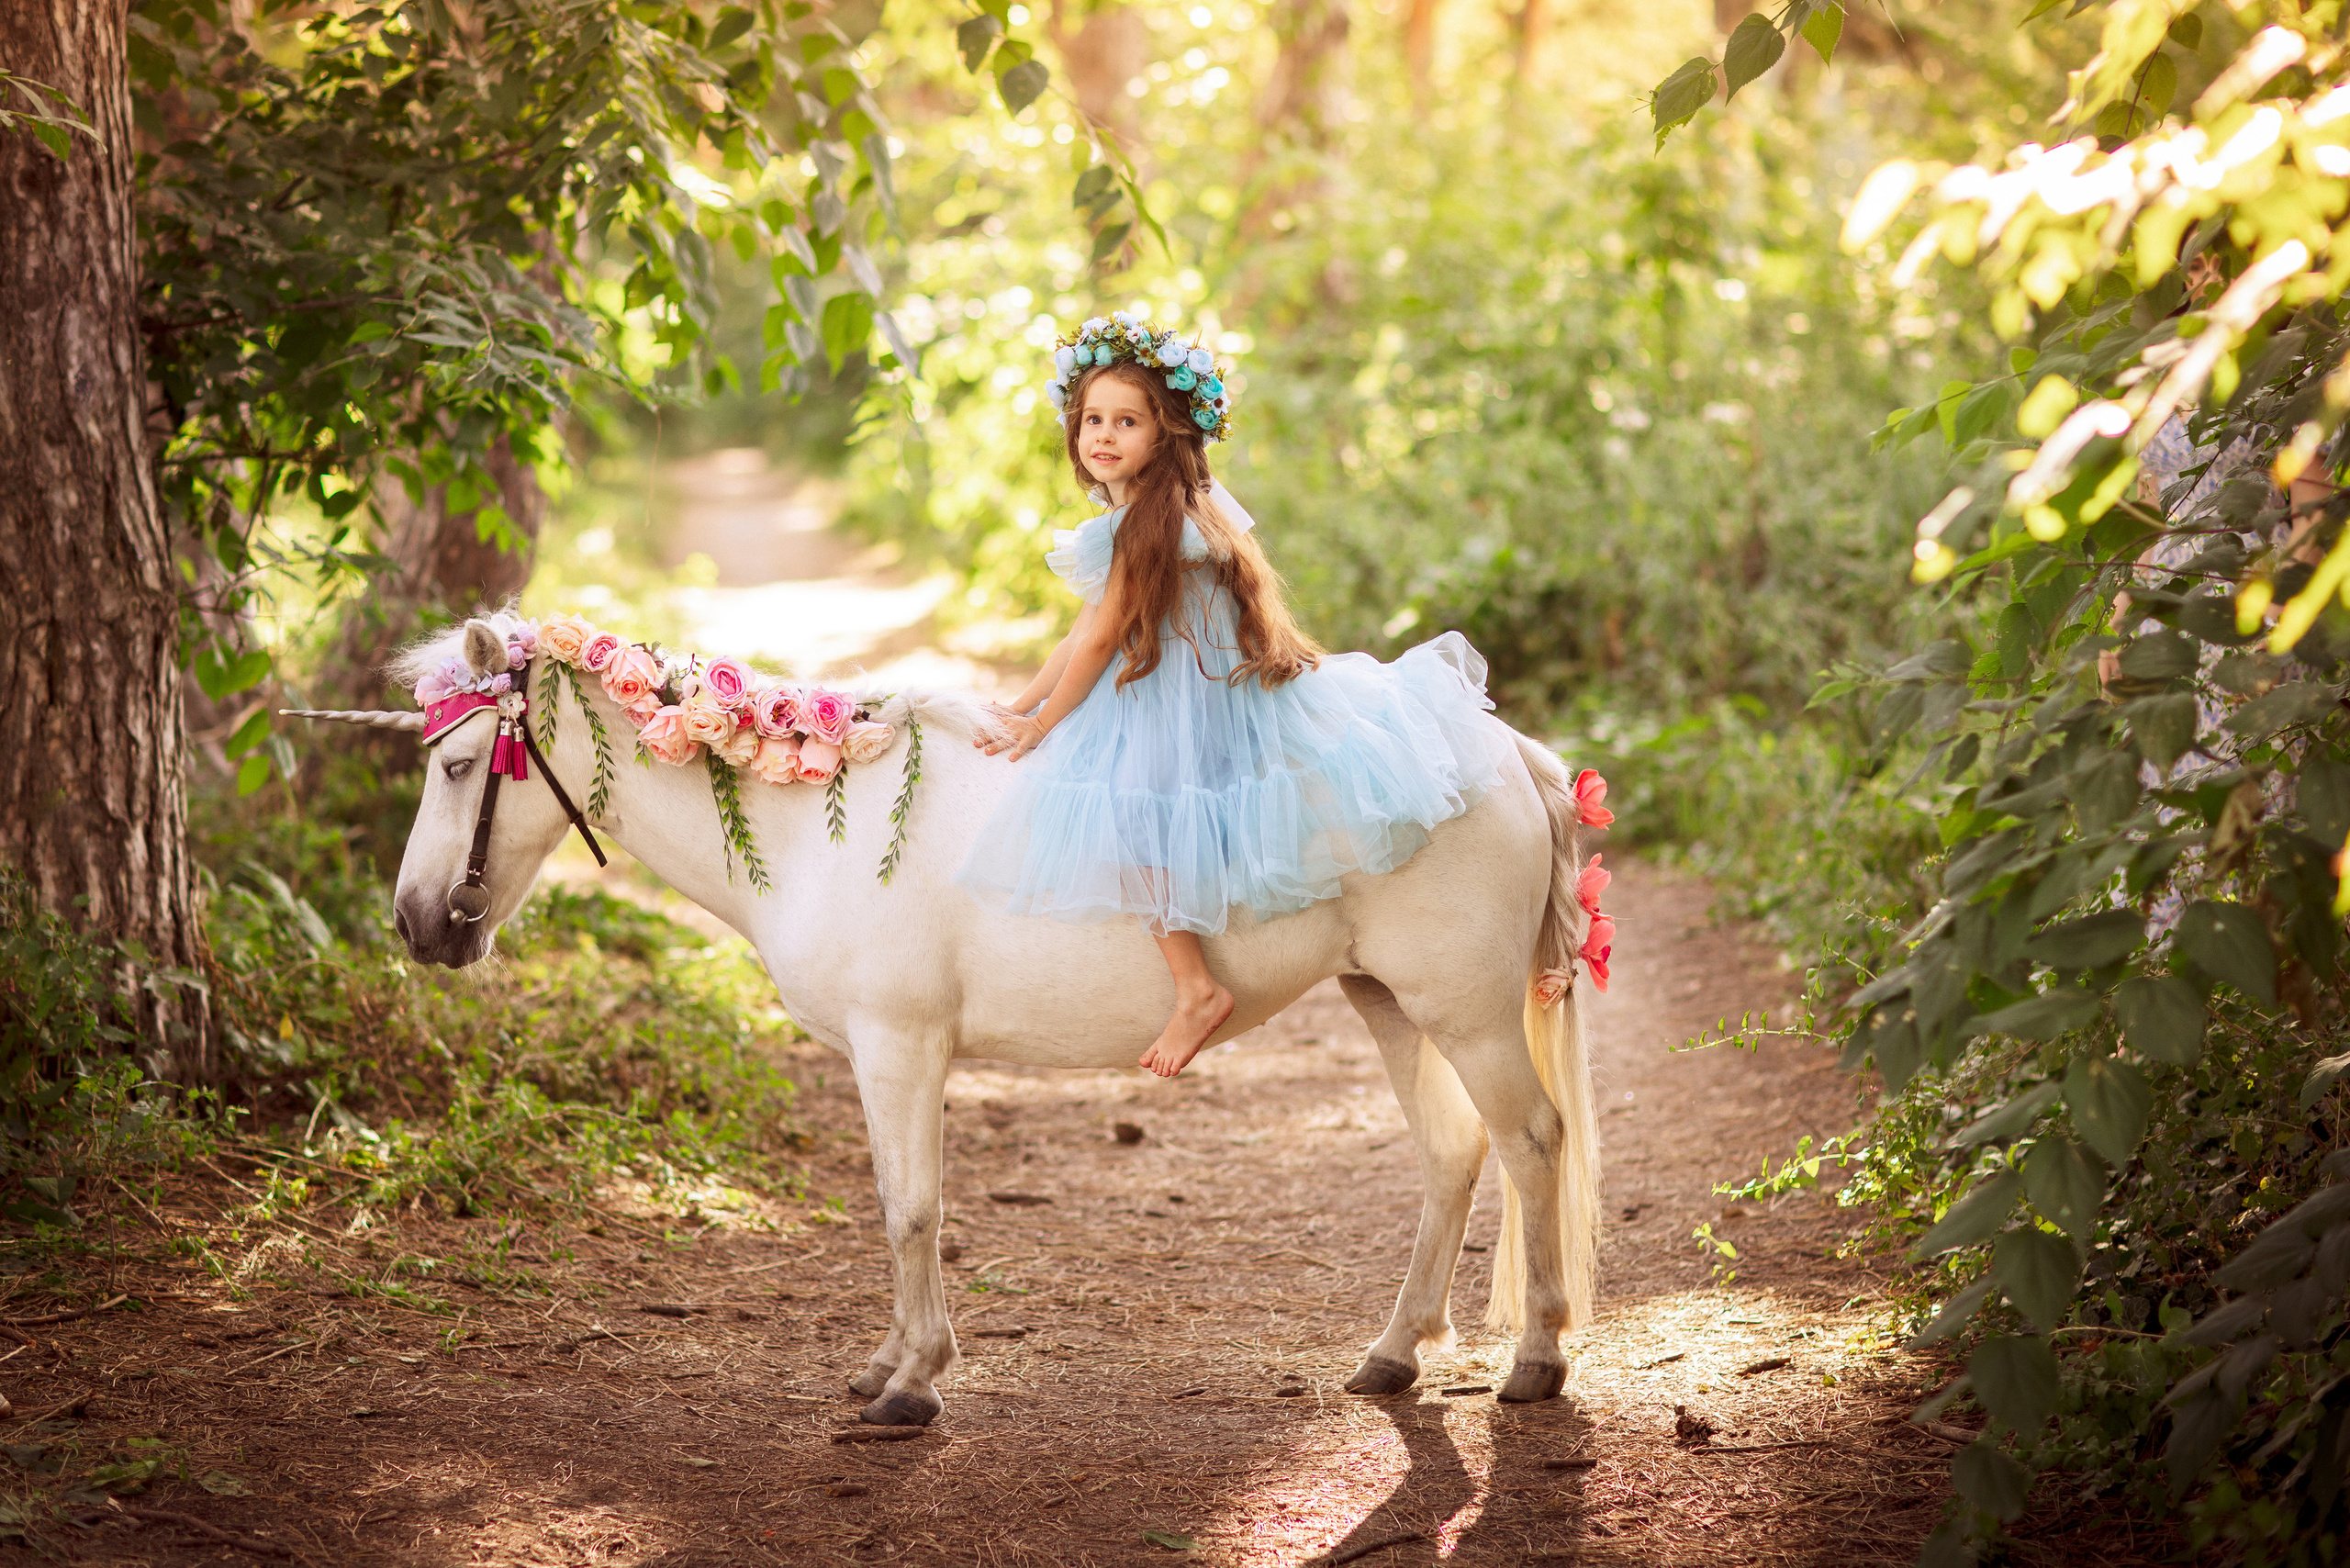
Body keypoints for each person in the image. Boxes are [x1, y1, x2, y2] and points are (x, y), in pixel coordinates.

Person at [957, 313, 1507, 1077]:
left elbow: (1095, 644)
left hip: (1191, 706)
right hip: (1196, 692)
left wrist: (1045, 725)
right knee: (1136, 799)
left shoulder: (1150, 526)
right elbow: (1080, 634)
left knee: (1128, 812)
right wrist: (1020, 703)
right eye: (1092, 421)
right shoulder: (1161, 511)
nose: (1103, 436)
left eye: (1127, 421)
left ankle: (1195, 987)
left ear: (1168, 433)